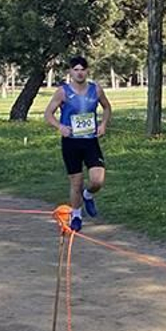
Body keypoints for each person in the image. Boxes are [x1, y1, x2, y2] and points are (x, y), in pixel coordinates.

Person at [41, 56, 111, 232]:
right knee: (76, 182)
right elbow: (48, 114)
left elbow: (107, 107)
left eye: (82, 70)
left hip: (90, 141)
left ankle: (88, 195)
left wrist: (103, 124)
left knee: (97, 180)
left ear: (87, 71)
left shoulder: (96, 90)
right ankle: (77, 215)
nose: (79, 73)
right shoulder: (63, 92)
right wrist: (60, 126)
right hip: (71, 142)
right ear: (70, 72)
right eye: (76, 70)